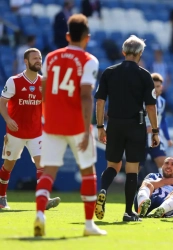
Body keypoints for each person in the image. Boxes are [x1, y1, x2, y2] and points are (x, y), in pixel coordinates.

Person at [34, 14, 106, 237]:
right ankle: (88, 225)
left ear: (67, 36)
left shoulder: (51, 58)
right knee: (88, 172)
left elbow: (43, 92)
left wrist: (46, 117)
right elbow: (86, 96)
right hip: (76, 124)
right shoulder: (89, 60)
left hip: (52, 123)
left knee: (48, 172)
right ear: (87, 37)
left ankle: (39, 214)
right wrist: (87, 129)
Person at [94, 35, 160, 222]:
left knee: (113, 166)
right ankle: (128, 212)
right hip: (136, 125)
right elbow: (150, 106)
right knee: (132, 169)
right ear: (140, 53)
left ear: (123, 52)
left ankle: (103, 189)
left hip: (114, 124)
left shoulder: (109, 72)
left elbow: (100, 101)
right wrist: (155, 131)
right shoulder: (145, 75)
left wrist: (100, 126)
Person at [0, 48, 60, 210]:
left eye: (40, 58)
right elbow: (2, 103)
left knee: (42, 165)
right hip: (16, 132)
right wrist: (8, 119)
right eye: (34, 58)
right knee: (8, 166)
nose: (38, 61)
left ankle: (43, 199)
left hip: (35, 133)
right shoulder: (14, 81)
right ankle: (1, 197)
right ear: (25, 62)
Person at [141, 73, 173, 175]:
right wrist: (143, 128)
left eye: (158, 86)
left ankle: (164, 188)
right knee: (136, 166)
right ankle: (132, 189)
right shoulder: (141, 101)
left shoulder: (162, 102)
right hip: (141, 138)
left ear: (161, 87)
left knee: (163, 162)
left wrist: (167, 138)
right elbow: (135, 118)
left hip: (155, 137)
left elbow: (163, 121)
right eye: (153, 87)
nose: (156, 89)